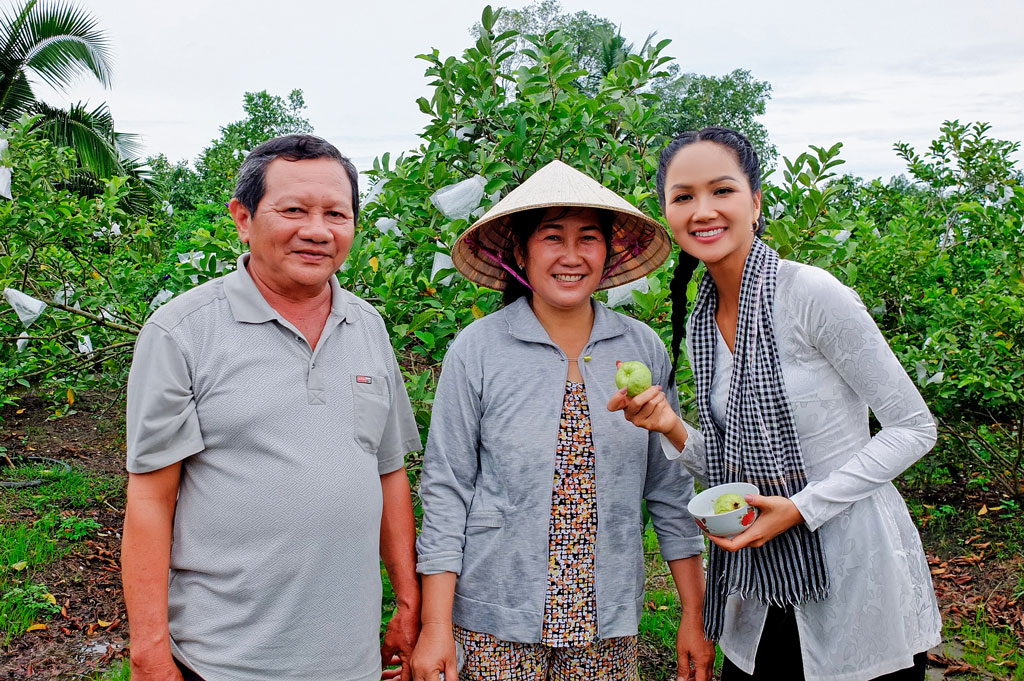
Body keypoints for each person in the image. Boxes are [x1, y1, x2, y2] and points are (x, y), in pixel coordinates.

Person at [609, 127, 941, 681]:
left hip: (851, 574)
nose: (703, 210)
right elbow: (729, 463)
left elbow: (912, 427)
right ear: (667, 212)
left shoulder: (811, 295)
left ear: (756, 203)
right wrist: (669, 425)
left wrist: (803, 506)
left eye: (722, 190)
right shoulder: (701, 324)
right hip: (756, 586)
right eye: (683, 196)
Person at [121, 134, 423, 681]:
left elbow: (388, 471)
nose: (317, 230)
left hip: (350, 661)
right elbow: (149, 497)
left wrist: (407, 599)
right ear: (243, 217)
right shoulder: (182, 331)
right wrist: (148, 653)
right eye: (293, 210)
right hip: (222, 661)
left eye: (337, 213)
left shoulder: (369, 327)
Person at [412, 160, 714, 681]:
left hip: (607, 617)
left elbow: (670, 491)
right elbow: (447, 487)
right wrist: (436, 625)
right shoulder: (479, 349)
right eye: (553, 237)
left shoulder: (639, 346)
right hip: (494, 615)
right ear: (521, 252)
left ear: (608, 251)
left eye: (588, 239)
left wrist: (694, 614)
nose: (572, 256)